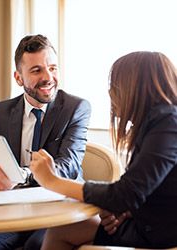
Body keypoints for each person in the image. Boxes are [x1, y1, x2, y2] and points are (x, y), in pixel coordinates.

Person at [30, 51, 177, 249]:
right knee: (65, 231)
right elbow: (148, 188)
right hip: (155, 224)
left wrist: (52, 181)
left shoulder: (168, 124)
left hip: (163, 234)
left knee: (61, 231)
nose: (110, 94)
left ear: (134, 87)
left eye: (114, 85)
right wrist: (129, 210)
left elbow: (124, 193)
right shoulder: (160, 123)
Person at [0, 34, 91, 250]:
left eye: (52, 68)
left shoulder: (76, 108)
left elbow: (68, 167)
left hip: (56, 209)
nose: (48, 77)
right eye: (36, 70)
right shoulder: (1, 111)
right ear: (18, 78)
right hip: (12, 209)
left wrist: (19, 176)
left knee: (35, 246)